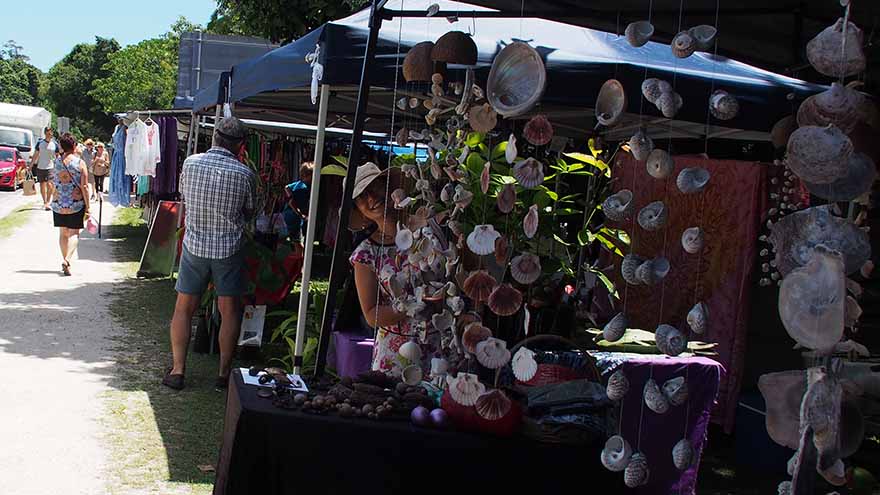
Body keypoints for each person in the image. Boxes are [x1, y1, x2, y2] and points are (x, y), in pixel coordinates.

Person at [163, 117, 256, 391]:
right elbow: (250, 211)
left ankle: (178, 370)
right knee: (229, 310)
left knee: (184, 308)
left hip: (195, 245)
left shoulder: (191, 163)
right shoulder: (245, 174)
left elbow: (184, 195)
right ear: (240, 145)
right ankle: (223, 374)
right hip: (229, 248)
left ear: (215, 136)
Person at [348, 163, 438, 376]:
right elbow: (371, 314)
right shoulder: (366, 253)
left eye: (375, 187)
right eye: (362, 197)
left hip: (439, 344)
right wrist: (409, 306)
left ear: (389, 187)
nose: (372, 197)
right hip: (396, 354)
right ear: (359, 210)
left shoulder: (428, 229)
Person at [51, 133, 90, 276]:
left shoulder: (56, 162)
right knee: (74, 233)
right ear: (74, 145)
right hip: (75, 203)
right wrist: (88, 206)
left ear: (61, 146)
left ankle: (65, 261)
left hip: (59, 203)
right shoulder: (80, 163)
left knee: (63, 233)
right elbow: (84, 186)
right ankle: (67, 260)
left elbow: (53, 181)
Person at [282, 161, 314, 252]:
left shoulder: (298, 183)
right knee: (298, 241)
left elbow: (287, 187)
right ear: (307, 175)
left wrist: (290, 195)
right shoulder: (303, 188)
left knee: (296, 240)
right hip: (295, 216)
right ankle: (300, 257)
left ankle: (298, 255)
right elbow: (292, 203)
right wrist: (300, 214)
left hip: (290, 214)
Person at [31, 126, 58, 210]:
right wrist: (31, 165)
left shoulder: (55, 144)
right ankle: (45, 202)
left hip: (51, 167)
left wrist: (59, 166)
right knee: (42, 185)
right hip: (41, 166)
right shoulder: (40, 143)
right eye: (48, 133)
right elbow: (36, 154)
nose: (50, 134)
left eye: (51, 133)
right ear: (45, 133)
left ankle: (48, 201)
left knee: (50, 184)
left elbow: (57, 156)